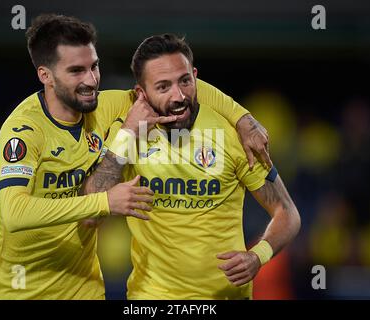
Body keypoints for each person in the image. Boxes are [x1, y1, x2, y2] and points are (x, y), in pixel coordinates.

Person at [0, 14, 271, 300]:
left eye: (94, 66)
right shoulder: (24, 130)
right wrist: (105, 201)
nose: (91, 80)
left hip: (84, 289)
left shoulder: (102, 106)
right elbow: (14, 214)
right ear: (45, 75)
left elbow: (177, 85)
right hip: (21, 290)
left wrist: (242, 118)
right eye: (76, 71)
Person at [87, 34, 301, 299]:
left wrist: (258, 256)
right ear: (141, 94)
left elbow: (287, 212)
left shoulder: (233, 135)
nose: (179, 96)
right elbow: (90, 213)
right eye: (163, 87)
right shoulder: (128, 137)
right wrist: (128, 134)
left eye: (185, 81)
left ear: (195, 77)